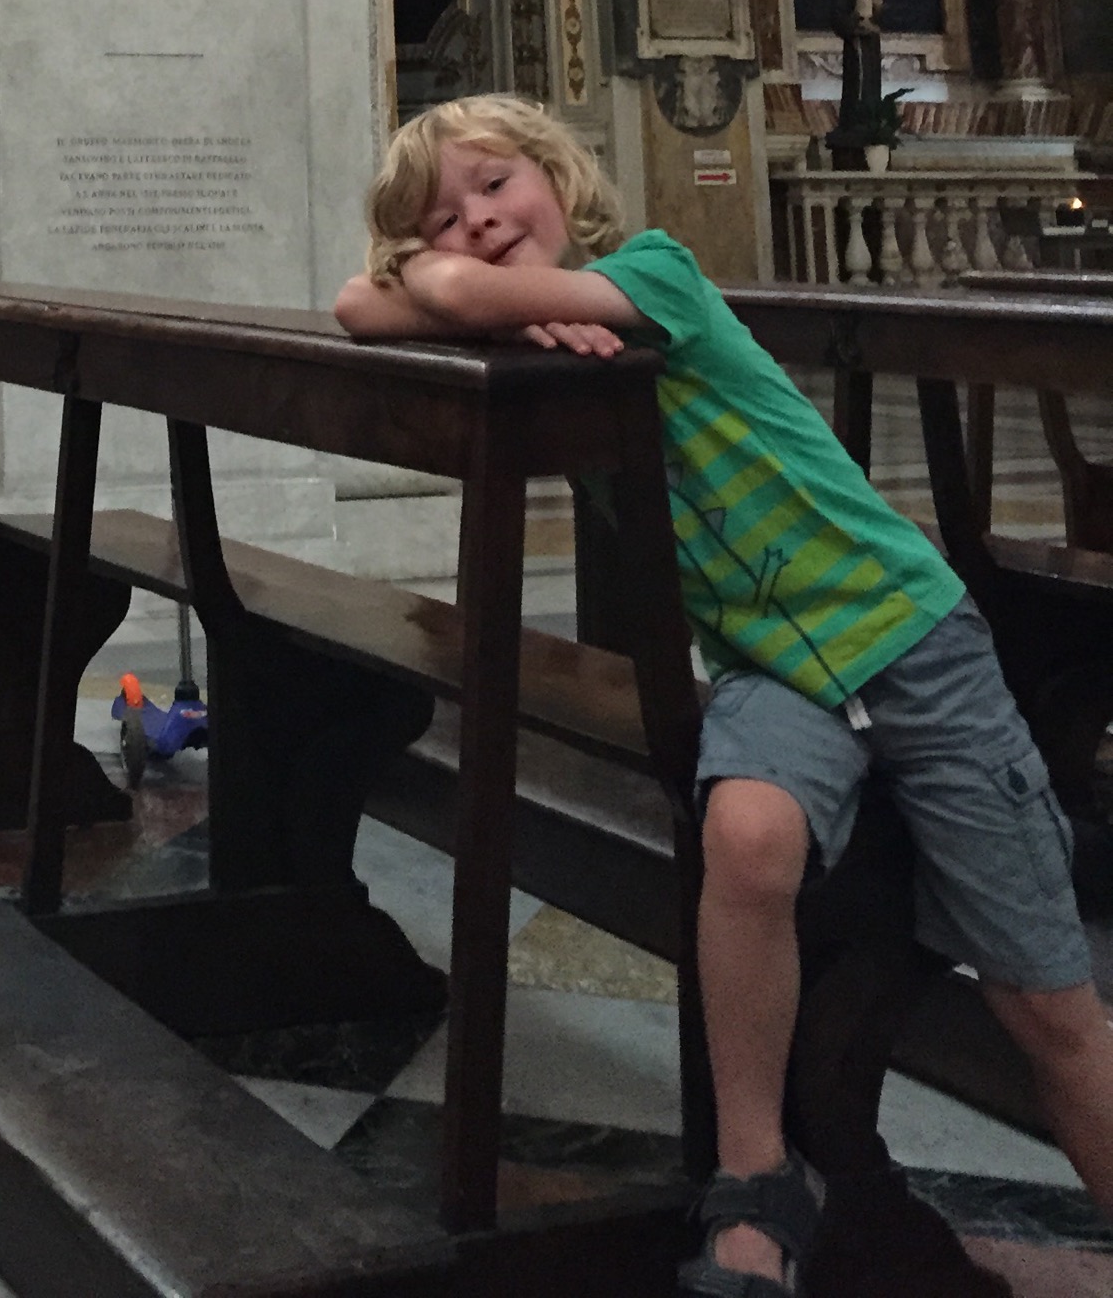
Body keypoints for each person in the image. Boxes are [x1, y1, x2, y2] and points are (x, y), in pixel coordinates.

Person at [333, 93, 1113, 1298]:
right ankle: (756, 1175)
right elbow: (353, 305)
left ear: (558, 175)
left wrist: (457, 286)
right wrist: (465, 292)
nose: (477, 222)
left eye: (495, 185)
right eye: (443, 218)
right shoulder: (544, 328)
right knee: (746, 836)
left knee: (1043, 1002)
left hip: (911, 641)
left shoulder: (660, 274)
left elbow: (417, 297)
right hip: (771, 669)